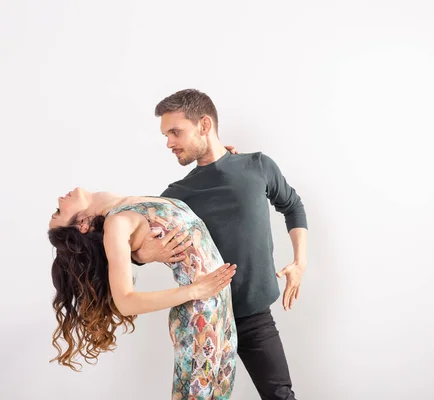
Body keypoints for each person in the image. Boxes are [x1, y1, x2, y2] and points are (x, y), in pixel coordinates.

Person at [132, 89, 308, 400]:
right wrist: (144, 254)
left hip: (254, 316)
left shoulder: (257, 166)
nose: (169, 143)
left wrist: (300, 261)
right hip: (204, 320)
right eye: (165, 135)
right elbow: (134, 242)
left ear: (204, 124)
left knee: (281, 396)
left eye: (175, 132)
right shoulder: (178, 193)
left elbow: (292, 206)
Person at [48, 188, 238, 400]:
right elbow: (125, 302)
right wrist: (194, 290)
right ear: (81, 225)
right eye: (58, 211)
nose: (59, 198)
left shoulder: (122, 204)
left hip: (221, 311)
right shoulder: (116, 224)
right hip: (199, 317)